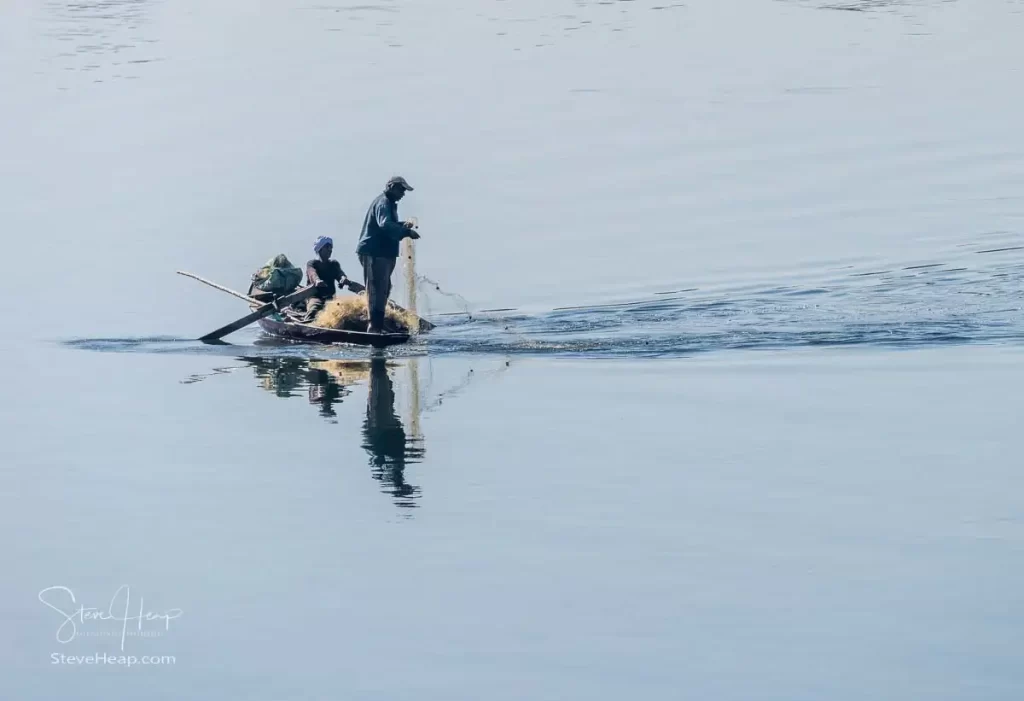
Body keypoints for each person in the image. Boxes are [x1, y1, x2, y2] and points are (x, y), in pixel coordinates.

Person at [355, 176, 421, 333]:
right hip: (373, 252)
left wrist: (401, 225)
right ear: (391, 187)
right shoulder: (383, 202)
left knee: (385, 287)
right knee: (376, 288)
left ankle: (379, 322)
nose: (403, 194)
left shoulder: (390, 204)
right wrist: (406, 231)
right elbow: (384, 224)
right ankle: (374, 326)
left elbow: (387, 224)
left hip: (383, 252)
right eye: (401, 189)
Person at [303, 235, 350, 321]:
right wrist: (317, 281)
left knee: (343, 312)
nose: (330, 250)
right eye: (327, 247)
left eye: (331, 247)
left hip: (330, 299)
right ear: (320, 249)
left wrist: (343, 278)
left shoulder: (333, 264)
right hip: (315, 297)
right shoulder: (312, 263)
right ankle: (306, 324)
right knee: (314, 309)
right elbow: (312, 273)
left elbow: (339, 273)